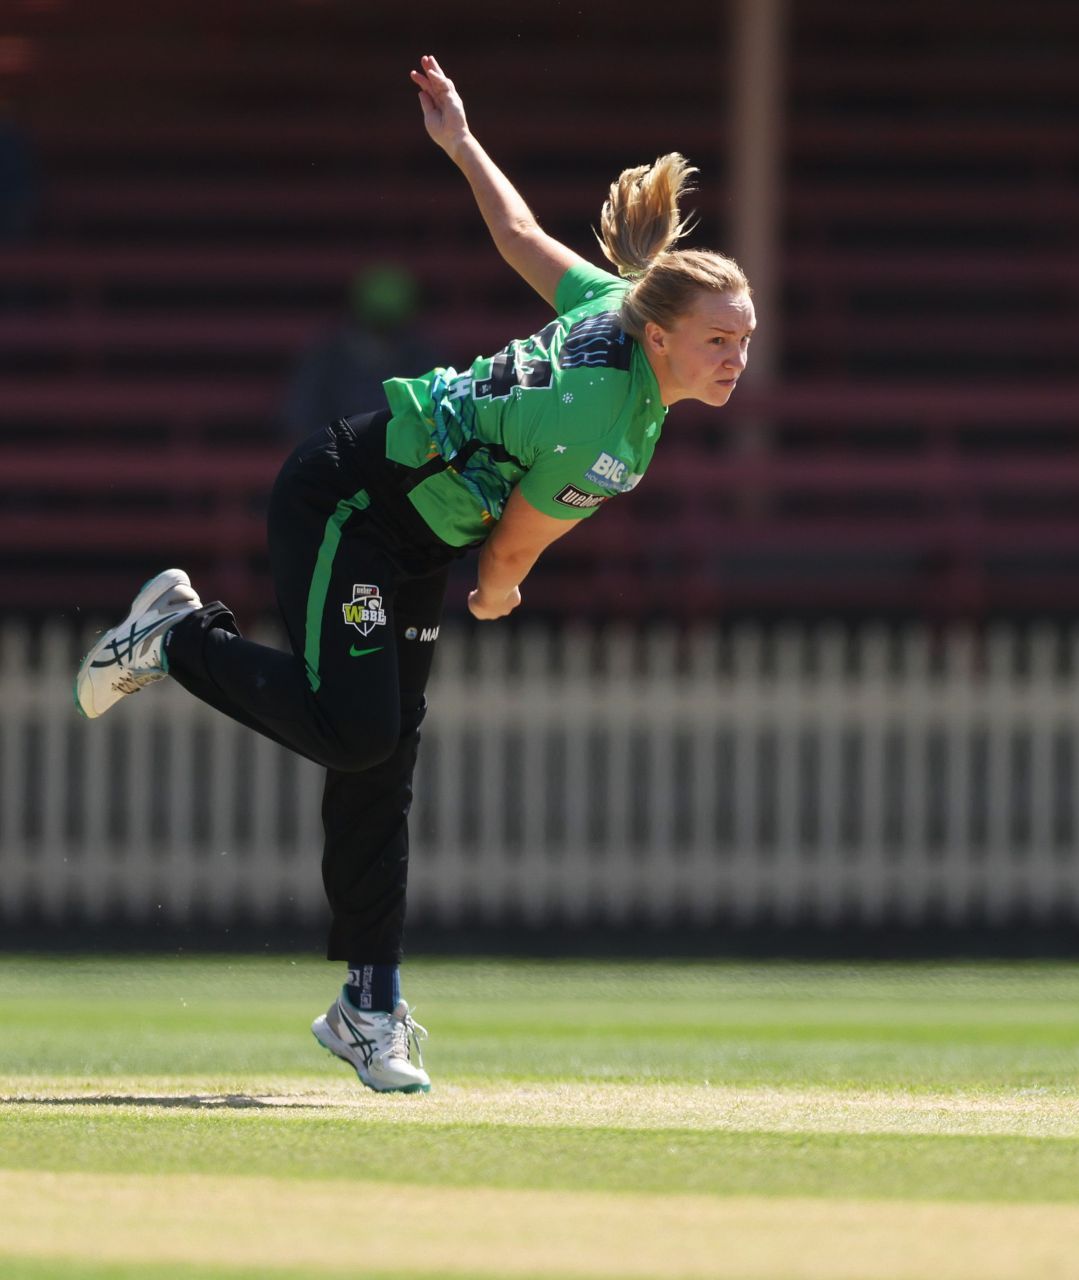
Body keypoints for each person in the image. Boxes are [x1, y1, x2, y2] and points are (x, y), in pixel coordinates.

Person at [72, 56, 756, 1093]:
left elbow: (523, 238)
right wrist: (502, 591)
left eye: (744, 340)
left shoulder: (618, 309)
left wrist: (462, 144)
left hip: (418, 529)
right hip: (352, 497)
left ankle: (370, 1004)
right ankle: (175, 637)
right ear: (660, 334)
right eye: (718, 340)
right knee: (358, 732)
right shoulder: (608, 429)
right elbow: (512, 551)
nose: (734, 358)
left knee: (378, 761)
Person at [280, 263, 441, 440]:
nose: (381, 340)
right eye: (376, 327)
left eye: (389, 329)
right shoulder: (325, 360)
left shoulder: (424, 359)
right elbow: (299, 419)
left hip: (408, 460)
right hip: (336, 458)